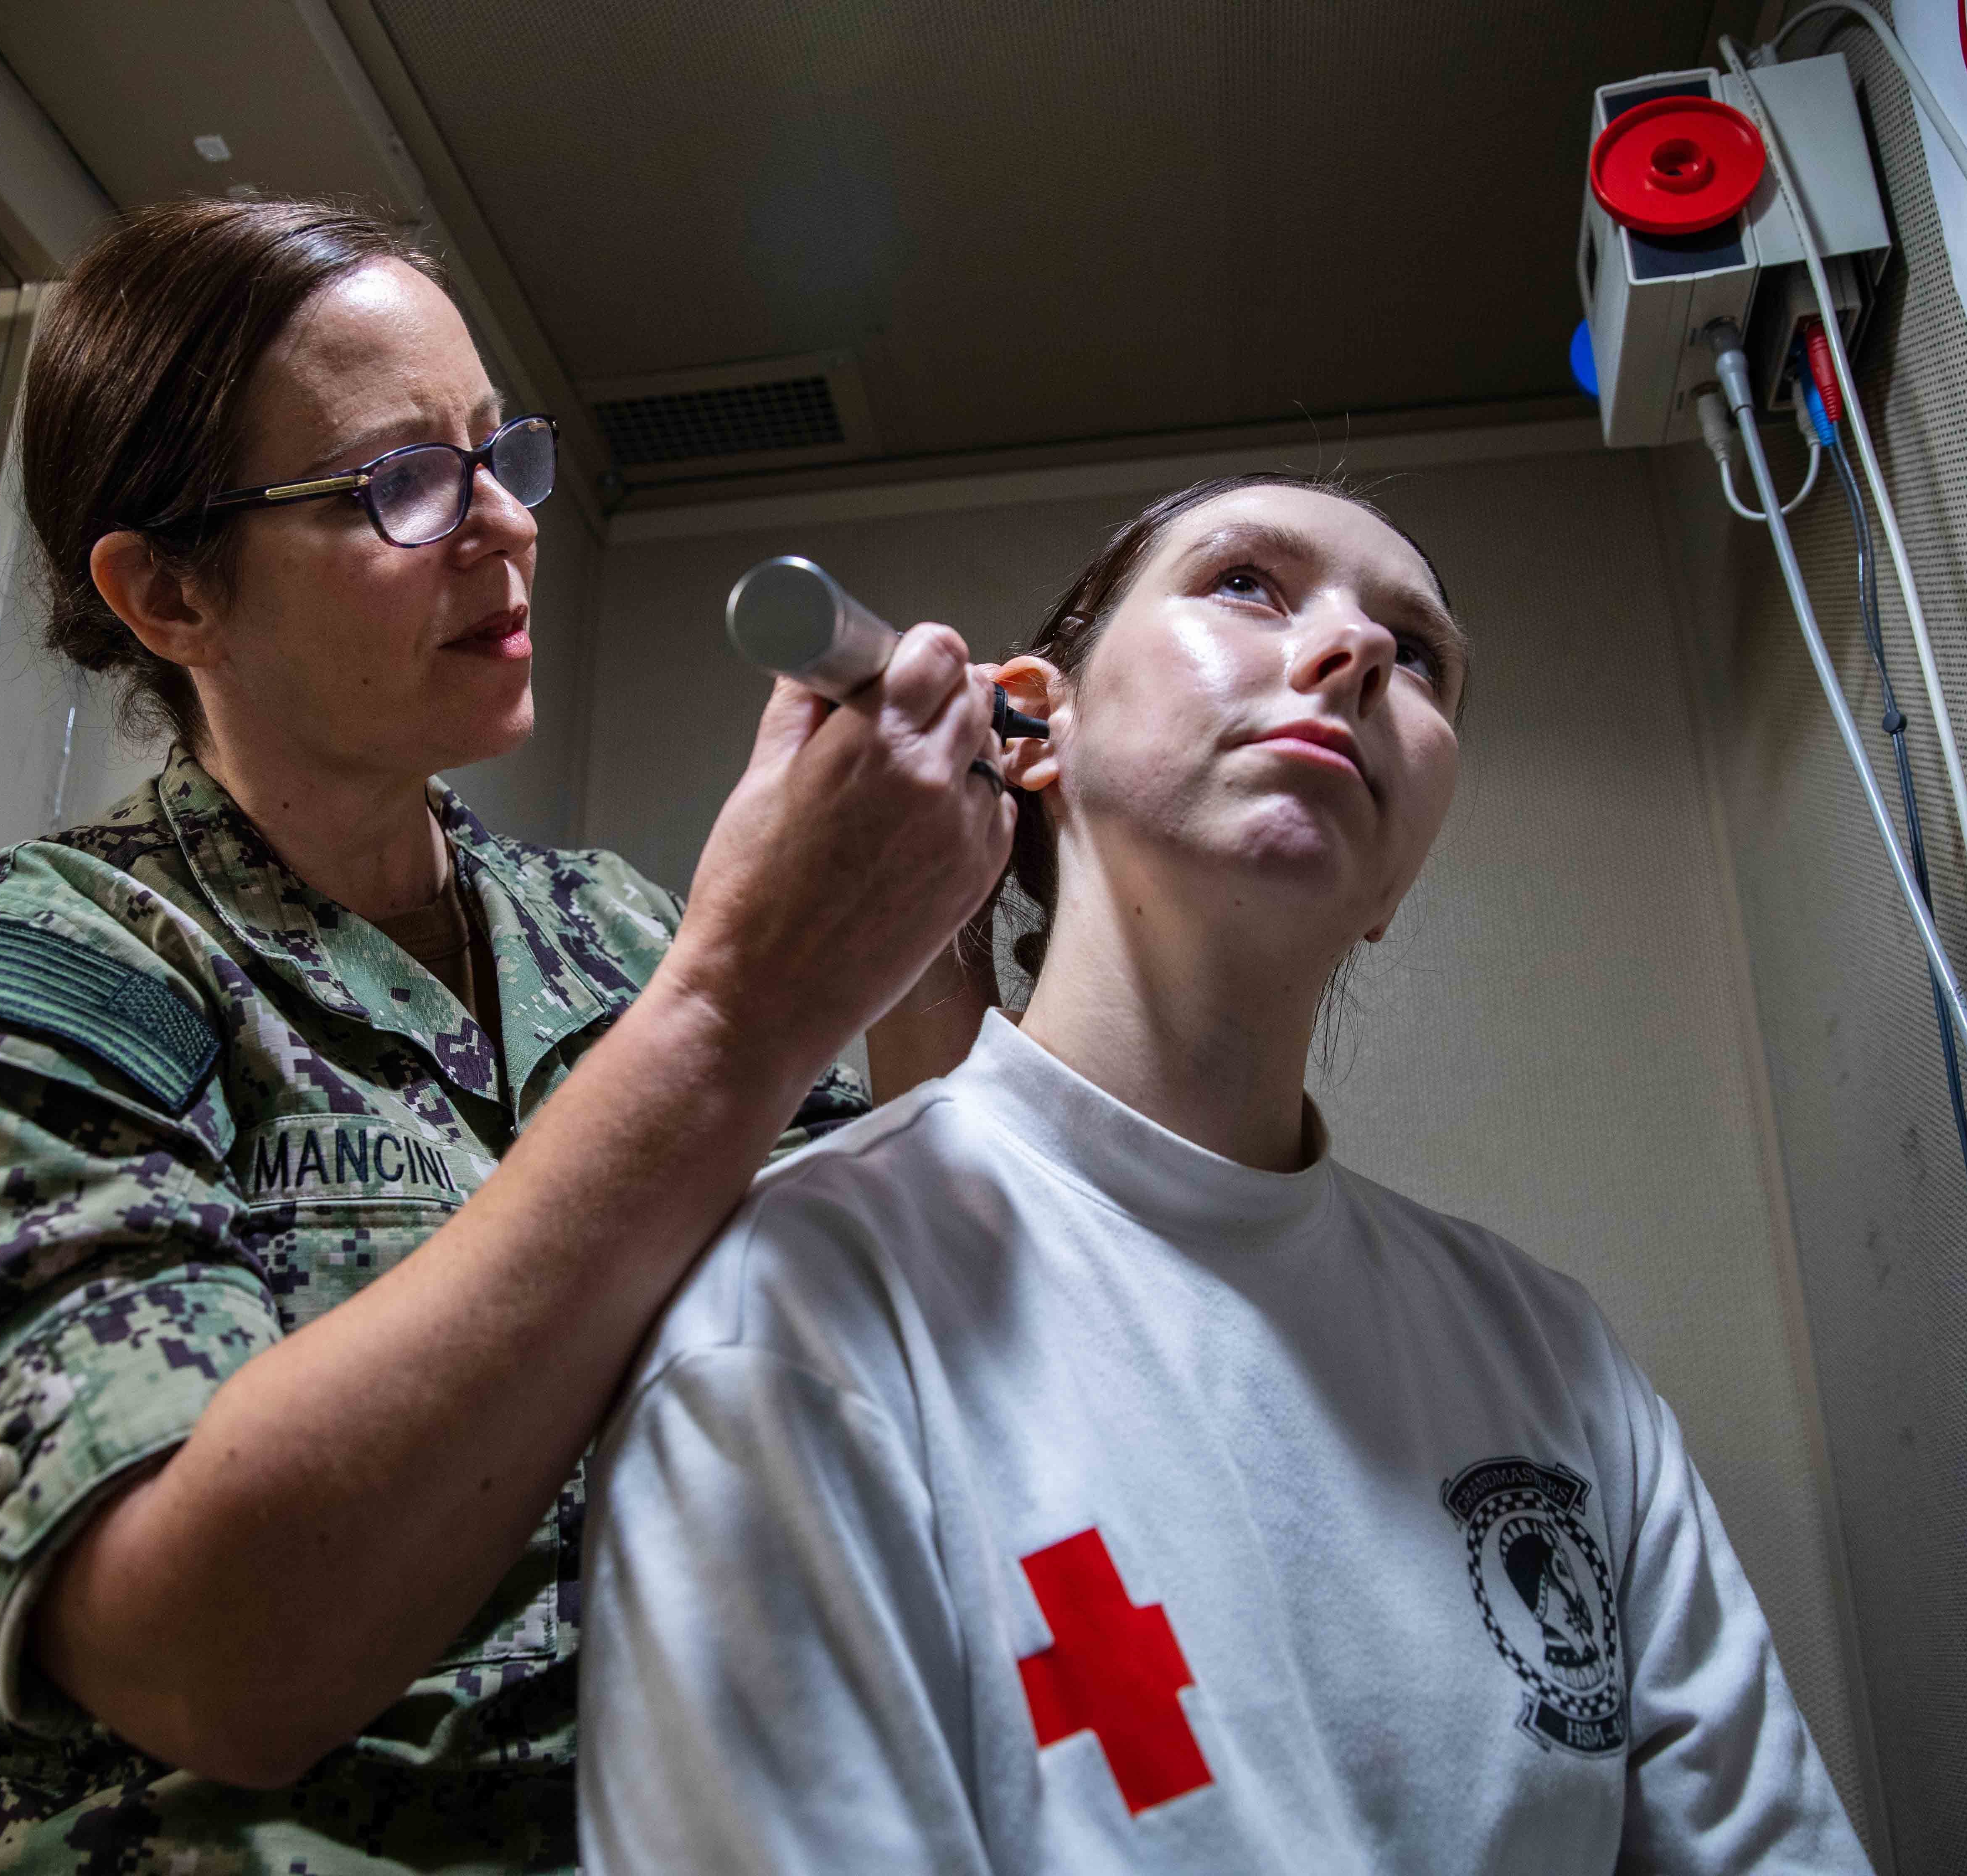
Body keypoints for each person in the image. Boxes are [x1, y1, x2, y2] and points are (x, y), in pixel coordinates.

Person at [0, 197, 1011, 1871]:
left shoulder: (618, 935)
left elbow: (903, 1329)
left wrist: (924, 918)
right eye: (396, 483)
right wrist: (742, 1006)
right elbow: (211, 1657)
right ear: (168, 594)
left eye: (494, 451)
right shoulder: (33, 977)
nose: (504, 528)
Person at [578, 475, 1870, 1873]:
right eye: (1248, 582)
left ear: (1396, 885)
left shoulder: (1552, 1359)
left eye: (1418, 651)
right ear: (1032, 733)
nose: (1361, 651)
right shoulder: (808, 1304)